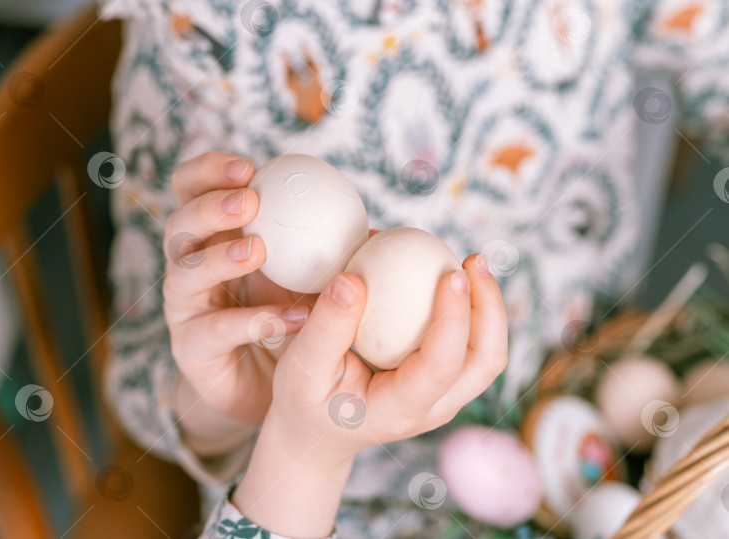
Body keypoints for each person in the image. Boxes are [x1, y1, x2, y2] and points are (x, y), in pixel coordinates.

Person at [98, 1, 729, 537]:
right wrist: (274, 423)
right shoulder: (202, 18)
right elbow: (145, 370)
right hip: (347, 502)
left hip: (595, 436)